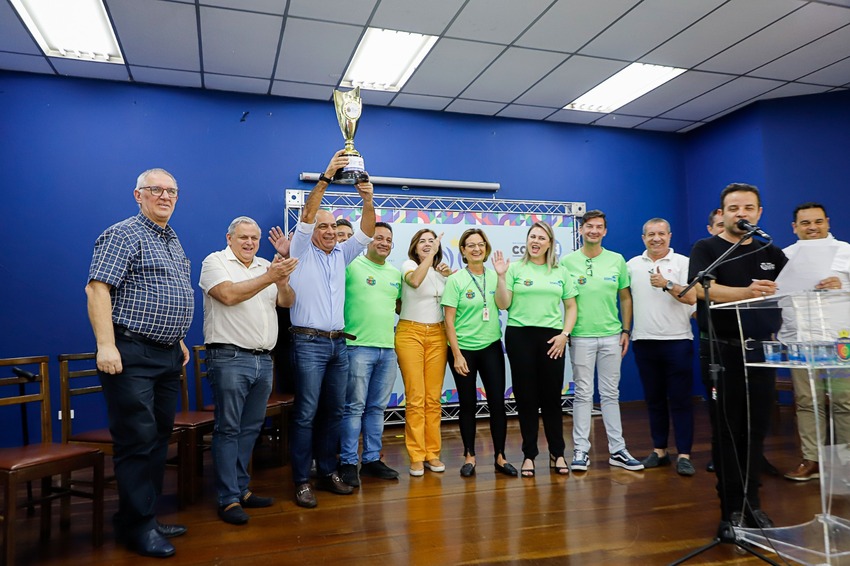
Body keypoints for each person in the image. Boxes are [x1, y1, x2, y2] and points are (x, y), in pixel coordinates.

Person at [85, 169, 193, 558]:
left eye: (171, 191)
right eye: (156, 190)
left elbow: (159, 293)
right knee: (137, 438)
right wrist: (105, 345)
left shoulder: (171, 239)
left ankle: (139, 516)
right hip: (130, 352)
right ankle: (139, 526)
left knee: (159, 437)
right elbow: (97, 289)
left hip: (165, 354)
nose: (165, 196)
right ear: (138, 195)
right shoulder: (123, 234)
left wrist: (176, 337)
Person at [270, 151, 375, 508]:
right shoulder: (300, 249)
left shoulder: (342, 254)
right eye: (323, 227)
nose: (329, 231)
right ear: (312, 231)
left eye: (333, 227)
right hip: (308, 344)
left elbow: (367, 231)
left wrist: (368, 200)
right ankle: (301, 480)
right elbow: (309, 212)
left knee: (335, 412)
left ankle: (327, 472)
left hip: (337, 346)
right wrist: (327, 176)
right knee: (306, 412)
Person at [688, 182, 787, 529]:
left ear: (759, 213)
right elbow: (703, 288)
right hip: (721, 352)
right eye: (733, 208)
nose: (740, 214)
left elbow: (790, 292)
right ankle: (730, 509)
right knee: (727, 431)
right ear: (723, 214)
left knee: (756, 430)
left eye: (748, 208)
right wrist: (744, 292)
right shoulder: (707, 248)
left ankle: (753, 503)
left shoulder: (772, 253)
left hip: (761, 352)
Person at [199, 216, 297, 524]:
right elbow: (228, 296)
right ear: (229, 238)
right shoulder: (214, 262)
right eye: (243, 237)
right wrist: (271, 276)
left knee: (250, 430)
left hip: (262, 360)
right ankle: (227, 499)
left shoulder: (266, 266)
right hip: (229, 357)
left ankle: (241, 490)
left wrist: (281, 281)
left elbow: (287, 302)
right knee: (228, 429)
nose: (249, 243)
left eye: (254, 238)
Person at [561, 210, 643, 473]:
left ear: (605, 231)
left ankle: (617, 450)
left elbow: (626, 298)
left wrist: (626, 330)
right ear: (582, 230)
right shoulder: (567, 262)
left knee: (610, 394)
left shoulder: (617, 260)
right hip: (581, 336)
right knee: (584, 394)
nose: (594, 231)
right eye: (589, 226)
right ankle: (581, 451)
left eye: (599, 227)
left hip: (611, 335)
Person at [494, 221, 577, 478]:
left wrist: (565, 335)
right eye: (532, 236)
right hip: (520, 336)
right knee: (526, 399)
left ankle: (558, 453)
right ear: (527, 240)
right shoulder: (515, 268)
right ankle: (529, 455)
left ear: (549, 243)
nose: (536, 241)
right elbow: (503, 304)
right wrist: (500, 276)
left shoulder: (560, 271)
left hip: (552, 339)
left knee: (552, 398)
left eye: (542, 237)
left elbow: (571, 307)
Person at [779, 202, 850, 481]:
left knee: (845, 401)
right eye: (805, 223)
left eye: (818, 222)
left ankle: (845, 461)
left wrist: (842, 285)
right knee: (807, 402)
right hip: (800, 339)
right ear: (794, 227)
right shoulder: (785, 256)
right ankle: (812, 460)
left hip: (840, 341)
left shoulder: (846, 251)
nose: (812, 227)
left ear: (828, 223)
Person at [443, 228, 518, 478]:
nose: (476, 248)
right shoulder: (456, 280)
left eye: (480, 244)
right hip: (464, 350)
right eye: (470, 245)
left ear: (485, 248)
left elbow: (504, 305)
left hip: (491, 348)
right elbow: (449, 322)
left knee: (498, 403)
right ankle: (469, 456)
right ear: (462, 251)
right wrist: (456, 354)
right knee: (467, 404)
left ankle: (500, 456)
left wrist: (502, 277)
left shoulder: (495, 276)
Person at [626, 218, 697, 476]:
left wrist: (667, 283)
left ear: (670, 235)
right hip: (644, 341)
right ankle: (659, 451)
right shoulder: (632, 265)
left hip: (678, 341)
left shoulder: (684, 263)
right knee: (654, 400)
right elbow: (627, 301)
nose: (656, 238)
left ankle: (684, 455)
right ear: (643, 237)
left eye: (661, 234)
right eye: (651, 234)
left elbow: (691, 297)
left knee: (680, 401)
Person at [338, 222, 403, 487]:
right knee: (353, 408)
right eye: (379, 238)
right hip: (357, 347)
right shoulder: (351, 265)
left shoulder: (395, 273)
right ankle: (348, 462)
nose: (384, 243)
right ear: (367, 240)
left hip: (388, 349)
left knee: (377, 408)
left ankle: (372, 460)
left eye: (389, 239)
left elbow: (399, 305)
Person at [397, 228, 452, 476]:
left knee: (433, 399)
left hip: (438, 334)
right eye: (423, 241)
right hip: (411, 333)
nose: (429, 244)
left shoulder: (441, 273)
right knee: (416, 397)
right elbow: (415, 282)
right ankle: (416, 455)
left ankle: (432, 453)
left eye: (433, 241)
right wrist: (430, 258)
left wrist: (449, 276)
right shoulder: (408, 264)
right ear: (415, 246)